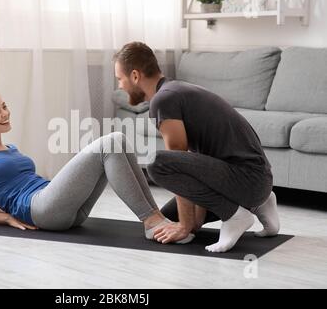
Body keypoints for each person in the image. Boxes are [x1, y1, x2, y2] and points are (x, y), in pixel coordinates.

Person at [0, 90, 194, 242]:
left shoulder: (11, 149)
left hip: (64, 211)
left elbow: (1, 190)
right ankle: (152, 222)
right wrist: (7, 218)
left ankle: (156, 218)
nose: (5, 113)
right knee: (110, 143)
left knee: (119, 140)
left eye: (4, 106)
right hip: (42, 210)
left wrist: (0, 204)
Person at [113, 41, 280, 253]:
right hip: (256, 181)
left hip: (247, 179)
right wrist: (194, 222)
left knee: (158, 163)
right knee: (168, 218)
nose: (119, 85)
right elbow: (196, 163)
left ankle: (235, 215)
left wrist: (185, 226)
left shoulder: (163, 100)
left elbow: (177, 161)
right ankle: (260, 204)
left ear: (135, 76)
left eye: (120, 79)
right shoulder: (175, 89)